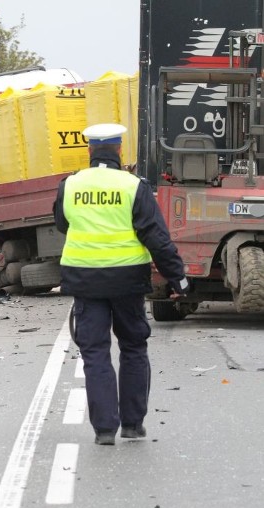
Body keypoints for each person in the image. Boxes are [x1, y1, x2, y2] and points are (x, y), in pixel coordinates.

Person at [54, 123, 189, 446]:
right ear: (119, 150)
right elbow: (156, 238)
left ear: (89, 151)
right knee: (133, 347)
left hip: (86, 281)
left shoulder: (70, 185)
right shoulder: (133, 186)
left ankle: (103, 430)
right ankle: (132, 425)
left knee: (95, 352)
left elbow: (62, 224)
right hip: (128, 281)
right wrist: (178, 279)